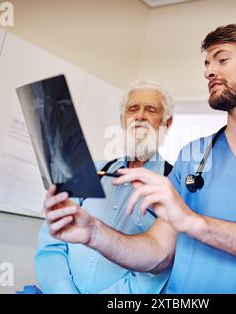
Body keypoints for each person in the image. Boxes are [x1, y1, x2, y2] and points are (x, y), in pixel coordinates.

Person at [42, 24, 236, 293]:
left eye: (221, 59)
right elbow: (159, 253)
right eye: (207, 63)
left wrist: (191, 221)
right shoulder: (193, 156)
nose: (209, 71)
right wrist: (94, 233)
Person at [35, 80, 174, 294]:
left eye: (151, 109)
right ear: (122, 119)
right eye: (133, 108)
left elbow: (158, 266)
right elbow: (52, 241)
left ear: (167, 122)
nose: (140, 116)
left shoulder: (173, 184)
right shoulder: (87, 171)